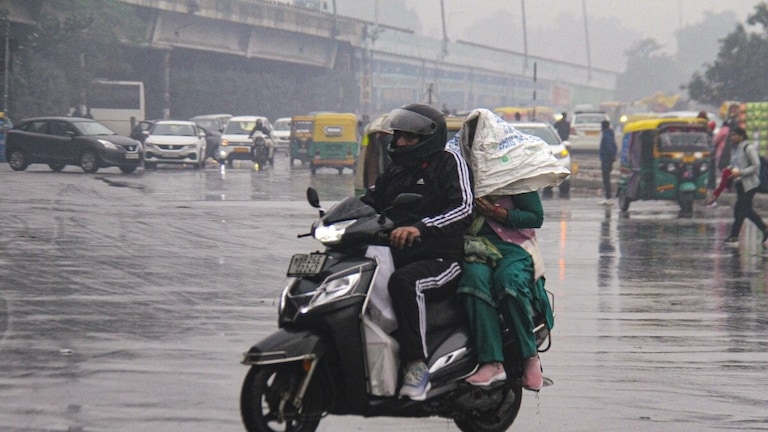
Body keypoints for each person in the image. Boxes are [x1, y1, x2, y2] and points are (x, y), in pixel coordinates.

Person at [361, 103, 474, 401]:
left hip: (441, 258)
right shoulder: (396, 170)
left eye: (408, 137)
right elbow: (370, 200)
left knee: (405, 282)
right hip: (395, 254)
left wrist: (420, 228)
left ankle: (416, 365)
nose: (399, 142)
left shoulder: (449, 163)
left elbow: (464, 208)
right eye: (398, 136)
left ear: (428, 138)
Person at [459, 191, 554, 391]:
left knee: (508, 282)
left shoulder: (512, 176)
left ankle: (529, 356)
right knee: (474, 281)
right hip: (475, 247)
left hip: (514, 248)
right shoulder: (462, 176)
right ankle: (491, 362)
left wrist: (495, 212)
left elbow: (535, 217)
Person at [722, 127, 768, 247]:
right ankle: (735, 235)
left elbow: (756, 165)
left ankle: (762, 228)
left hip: (750, 184)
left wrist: (741, 172)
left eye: (735, 135)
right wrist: (728, 169)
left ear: (741, 136)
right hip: (740, 183)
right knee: (740, 209)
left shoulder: (748, 148)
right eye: (732, 135)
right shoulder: (735, 148)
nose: (732, 137)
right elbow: (735, 164)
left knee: (744, 209)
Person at [598, 119, 617, 205]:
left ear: (603, 126)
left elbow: (610, 148)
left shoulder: (606, 136)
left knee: (606, 179)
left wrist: (611, 157)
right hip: (607, 159)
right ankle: (608, 197)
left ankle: (608, 197)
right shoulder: (609, 134)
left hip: (606, 160)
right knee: (606, 178)